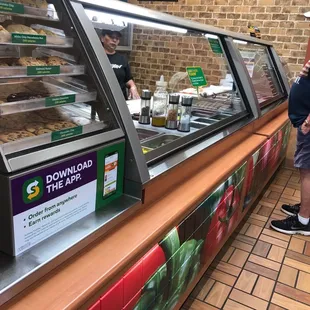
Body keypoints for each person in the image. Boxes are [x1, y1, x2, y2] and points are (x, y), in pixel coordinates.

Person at [271, 60, 310, 235]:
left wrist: (308, 123)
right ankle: (306, 208)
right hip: (305, 122)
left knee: (307, 171)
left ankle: (303, 221)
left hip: (308, 125)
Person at [101, 29, 140, 100]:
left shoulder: (122, 59)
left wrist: (133, 86)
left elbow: (128, 79)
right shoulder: (97, 57)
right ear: (102, 38)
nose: (115, 40)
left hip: (120, 101)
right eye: (111, 37)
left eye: (117, 38)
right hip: (102, 100)